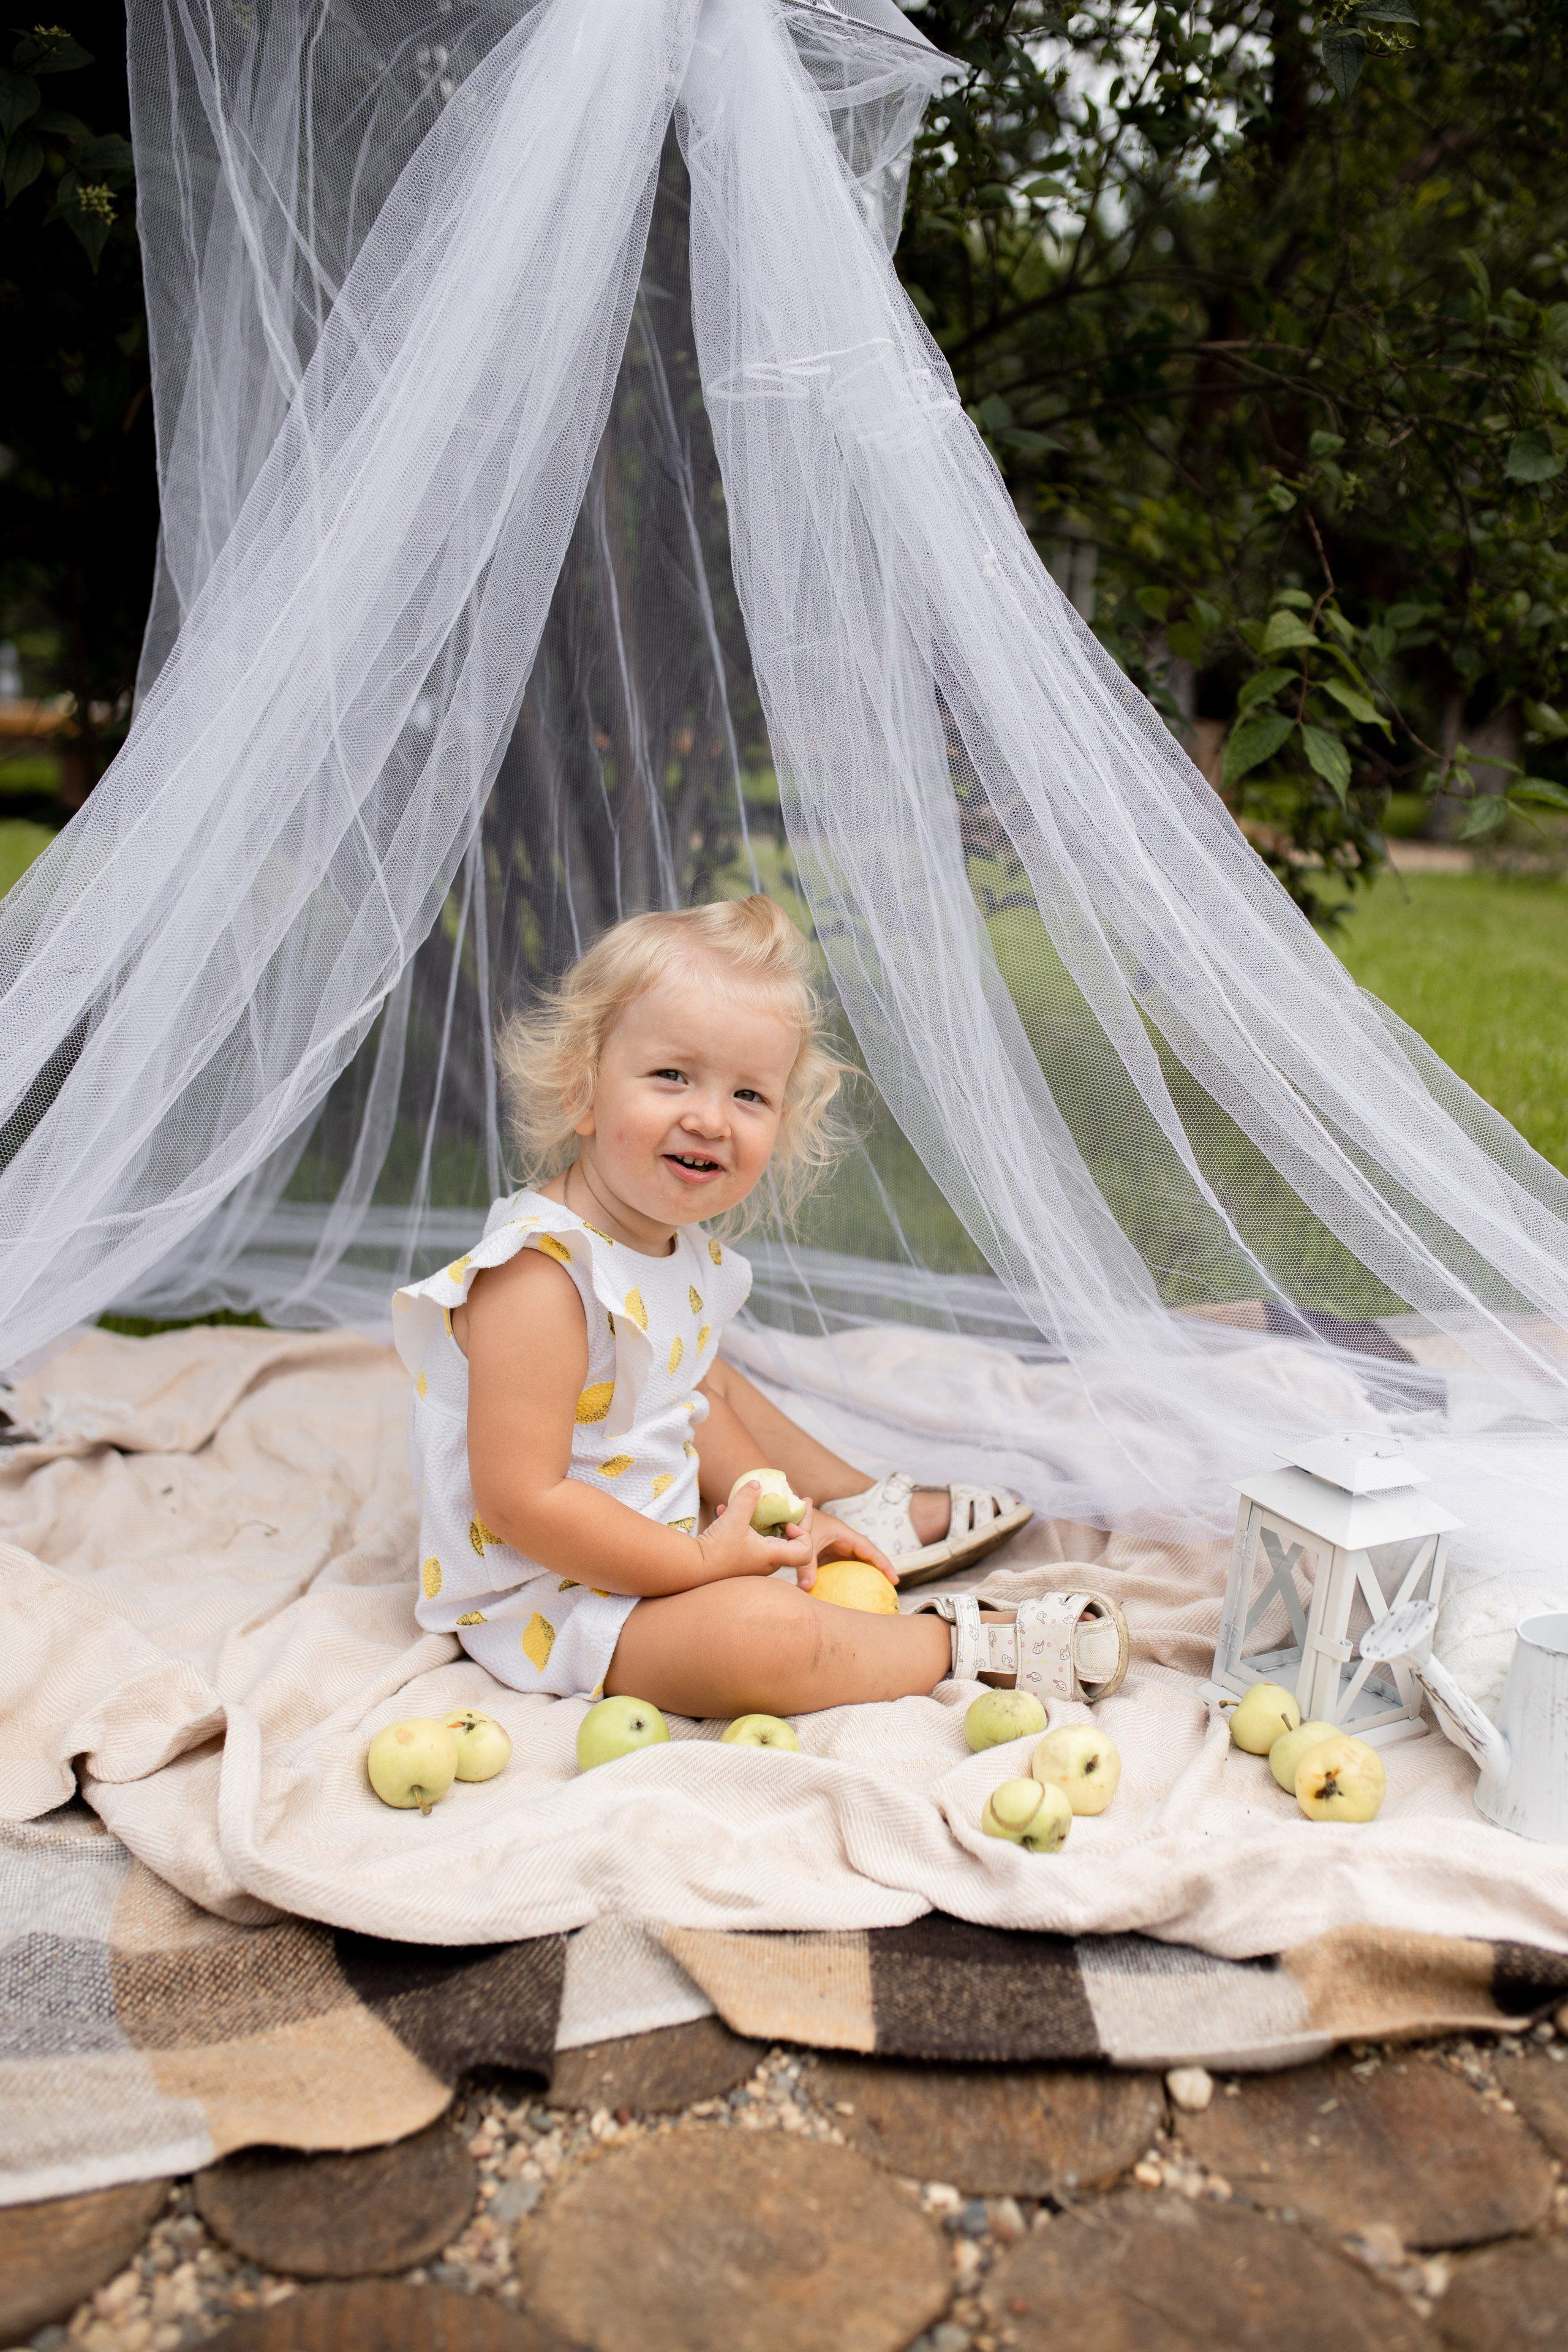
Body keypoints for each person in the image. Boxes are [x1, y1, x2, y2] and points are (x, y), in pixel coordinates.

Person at [393, 896, 1126, 1720]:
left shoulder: (669, 1243)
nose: (710, 1118)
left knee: (709, 1384)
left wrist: (777, 1519)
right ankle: (958, 1643)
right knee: (764, 1638)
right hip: (551, 1596)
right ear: (582, 1092)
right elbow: (520, 1503)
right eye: (672, 1075)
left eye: (749, 1095)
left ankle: (841, 1508)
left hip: (661, 1548)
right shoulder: (540, 1279)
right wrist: (704, 1563)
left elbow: (685, 1408)